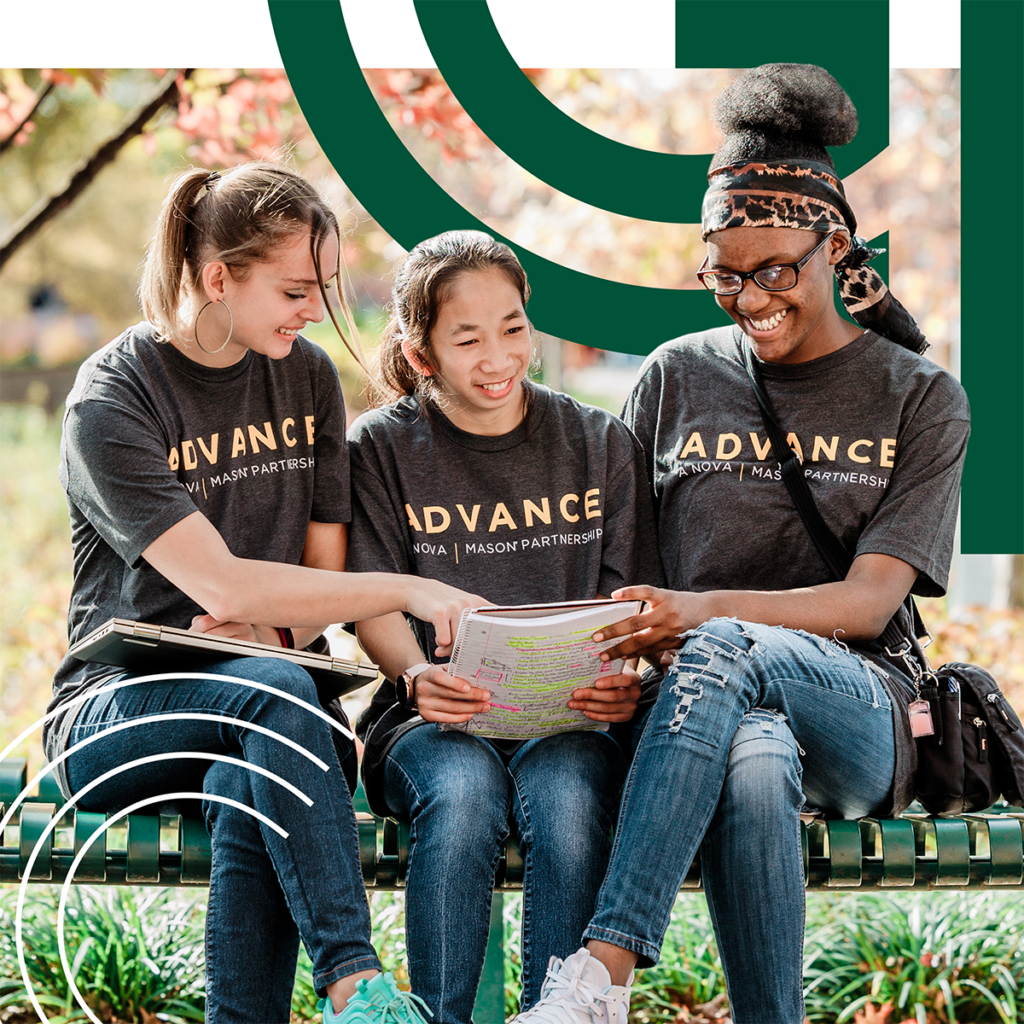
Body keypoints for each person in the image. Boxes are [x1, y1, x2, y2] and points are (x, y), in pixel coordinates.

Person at [512, 65, 969, 1024]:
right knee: (755, 756)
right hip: (696, 713)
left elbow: (868, 604)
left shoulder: (919, 396)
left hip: (860, 701)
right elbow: (629, 574)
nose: (750, 298)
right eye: (726, 274)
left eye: (775, 272)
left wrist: (704, 617)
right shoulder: (675, 376)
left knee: (728, 648)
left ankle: (603, 972)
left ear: (834, 247)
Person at [45, 163, 480, 1024]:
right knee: (280, 700)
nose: (313, 308)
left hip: (278, 709)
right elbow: (224, 584)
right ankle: (357, 986)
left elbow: (310, 586)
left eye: (320, 285)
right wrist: (410, 589)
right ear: (217, 278)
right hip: (119, 717)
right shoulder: (113, 402)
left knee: (264, 763)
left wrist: (273, 627)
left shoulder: (306, 377)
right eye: (292, 288)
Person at [345, 230, 664, 1023]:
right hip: (434, 719)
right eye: (468, 339)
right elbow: (370, 602)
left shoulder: (598, 442)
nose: (499, 357)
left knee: (567, 796)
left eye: (514, 327)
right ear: (422, 356)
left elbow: (633, 607)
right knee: (460, 792)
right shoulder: (380, 449)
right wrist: (415, 677)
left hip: (571, 721)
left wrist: (628, 682)